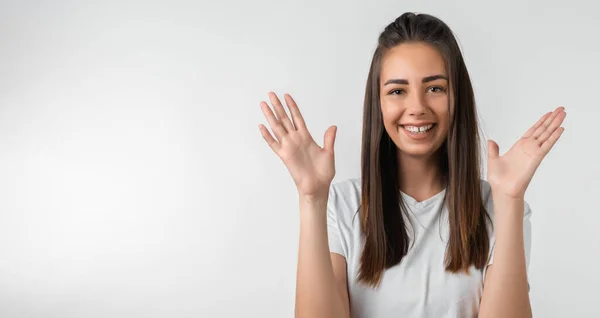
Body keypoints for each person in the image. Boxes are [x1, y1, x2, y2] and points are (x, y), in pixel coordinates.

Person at [258, 12, 565, 318]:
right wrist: (311, 199)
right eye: (397, 91)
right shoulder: (339, 206)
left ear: (457, 97)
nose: (417, 107)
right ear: (378, 104)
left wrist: (510, 200)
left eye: (435, 88)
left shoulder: (500, 206)